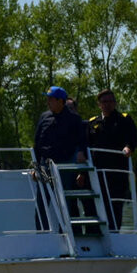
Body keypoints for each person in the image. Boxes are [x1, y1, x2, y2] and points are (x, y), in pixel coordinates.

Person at [32, 86, 86, 230]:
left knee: (64, 203)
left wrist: (81, 153)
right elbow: (37, 142)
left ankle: (66, 234)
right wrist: (35, 166)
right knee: (42, 201)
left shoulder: (74, 119)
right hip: (44, 165)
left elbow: (82, 141)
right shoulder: (44, 116)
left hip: (64, 165)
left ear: (60, 101)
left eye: (51, 99)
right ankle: (41, 234)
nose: (48, 102)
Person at [85, 89, 137, 230]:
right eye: (104, 102)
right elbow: (86, 147)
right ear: (99, 104)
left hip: (116, 173)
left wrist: (128, 148)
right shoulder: (93, 122)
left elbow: (131, 139)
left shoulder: (124, 119)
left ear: (115, 103)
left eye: (110, 101)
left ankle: (114, 234)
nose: (107, 105)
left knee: (114, 207)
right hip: (96, 173)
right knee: (94, 206)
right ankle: (93, 235)